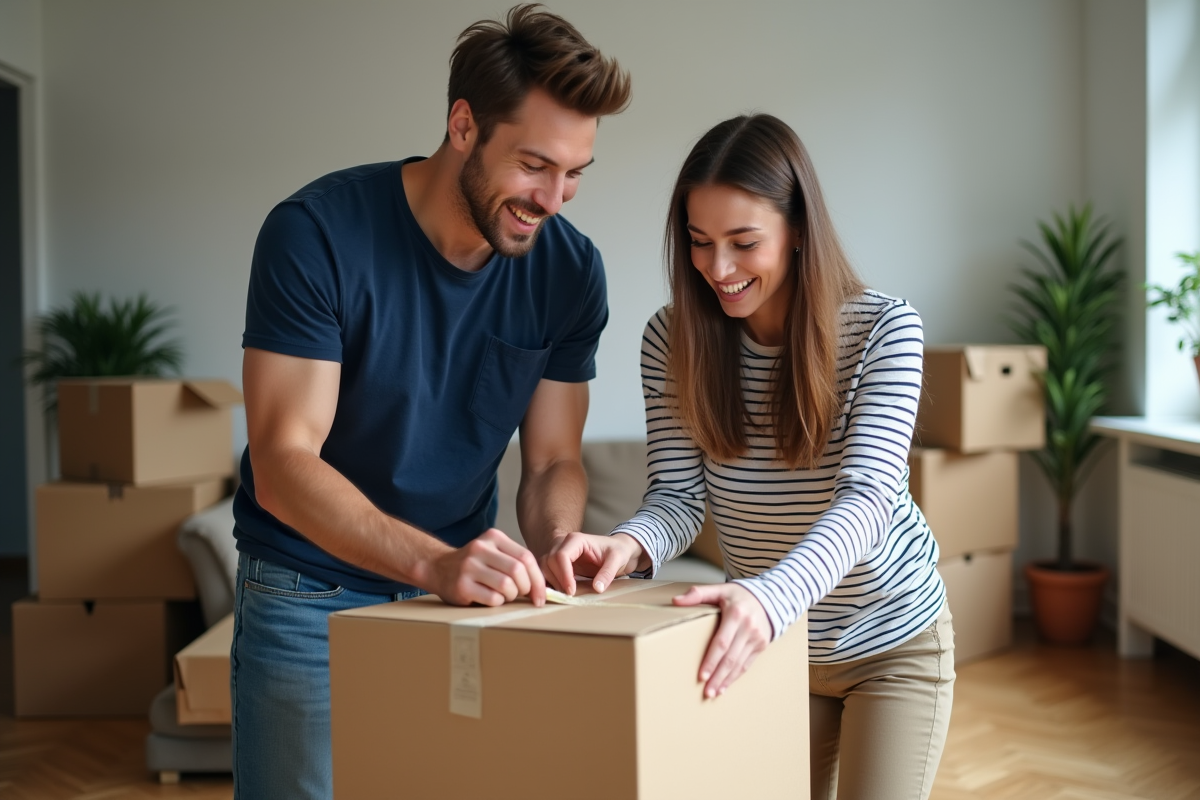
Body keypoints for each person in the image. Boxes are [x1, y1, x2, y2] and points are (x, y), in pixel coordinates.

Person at [230, 6, 631, 798]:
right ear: (462, 125)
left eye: (576, 171)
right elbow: (282, 463)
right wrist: (435, 562)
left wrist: (555, 539)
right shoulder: (316, 235)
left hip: (456, 601)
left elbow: (551, 458)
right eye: (534, 165)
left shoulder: (569, 273)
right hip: (310, 594)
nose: (555, 197)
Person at [545, 114, 954, 800]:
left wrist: (769, 598)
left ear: (798, 231)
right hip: (769, 644)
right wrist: (626, 544)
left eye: (744, 242)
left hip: (888, 644)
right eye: (700, 243)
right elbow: (678, 497)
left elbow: (869, 499)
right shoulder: (672, 339)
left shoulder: (885, 328)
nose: (719, 269)